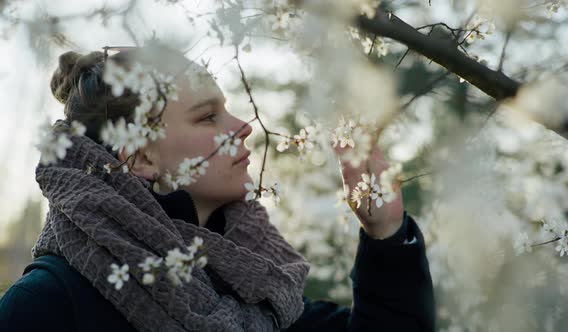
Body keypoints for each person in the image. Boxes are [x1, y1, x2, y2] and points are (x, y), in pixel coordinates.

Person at [0, 43, 435, 331]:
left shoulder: (257, 293)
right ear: (141, 158)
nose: (244, 127)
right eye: (208, 116)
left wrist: (386, 233)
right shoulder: (48, 306)